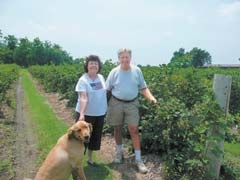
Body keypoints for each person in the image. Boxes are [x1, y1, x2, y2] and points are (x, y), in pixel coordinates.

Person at [106, 48, 157, 173]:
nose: (124, 59)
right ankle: (119, 154)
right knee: (117, 128)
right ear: (118, 59)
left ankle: (138, 160)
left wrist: (151, 98)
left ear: (130, 58)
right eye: (122, 57)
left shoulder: (137, 71)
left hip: (132, 103)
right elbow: (107, 89)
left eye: (127, 57)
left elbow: (143, 88)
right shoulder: (114, 72)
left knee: (134, 130)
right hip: (116, 103)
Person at [74, 55, 107, 167]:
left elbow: (104, 92)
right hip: (86, 115)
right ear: (87, 66)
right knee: (80, 137)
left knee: (94, 137)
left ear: (99, 66)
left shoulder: (101, 78)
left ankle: (89, 159)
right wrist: (82, 114)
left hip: (99, 113)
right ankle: (76, 160)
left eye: (96, 63)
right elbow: (83, 97)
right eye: (91, 63)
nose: (93, 65)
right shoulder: (83, 80)